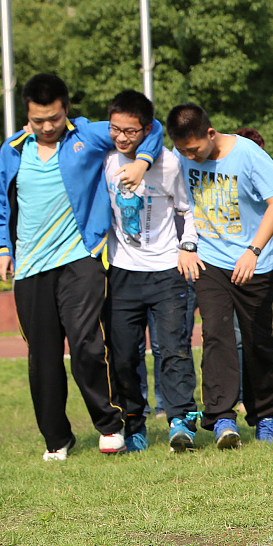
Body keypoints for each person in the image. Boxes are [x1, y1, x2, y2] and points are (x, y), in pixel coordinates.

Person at [0, 73, 162, 461]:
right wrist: (2, 246)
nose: (47, 126)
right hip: (30, 268)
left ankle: (109, 425)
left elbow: (150, 127)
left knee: (87, 344)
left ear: (66, 109)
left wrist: (143, 162)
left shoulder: (88, 135)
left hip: (80, 259)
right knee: (43, 358)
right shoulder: (13, 150)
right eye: (38, 120)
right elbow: (0, 202)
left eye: (53, 117)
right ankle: (57, 438)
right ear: (27, 117)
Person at [166, 103, 273, 447]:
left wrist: (254, 251)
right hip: (210, 262)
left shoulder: (247, 154)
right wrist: (187, 245)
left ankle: (265, 416)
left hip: (253, 263)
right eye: (182, 150)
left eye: (194, 149)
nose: (190, 156)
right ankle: (222, 418)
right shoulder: (180, 157)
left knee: (258, 341)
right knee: (216, 336)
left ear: (209, 133)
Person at [102, 90, 203, 453]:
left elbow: (190, 209)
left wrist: (187, 247)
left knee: (173, 349)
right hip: (122, 273)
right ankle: (134, 425)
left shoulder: (170, 164)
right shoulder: (106, 159)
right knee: (124, 354)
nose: (122, 137)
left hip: (166, 271)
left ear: (147, 129)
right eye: (116, 130)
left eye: (131, 131)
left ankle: (181, 420)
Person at [232, 127, 273, 391]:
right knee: (239, 337)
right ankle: (244, 396)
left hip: (271, 268)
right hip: (234, 268)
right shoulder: (230, 180)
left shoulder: (269, 180)